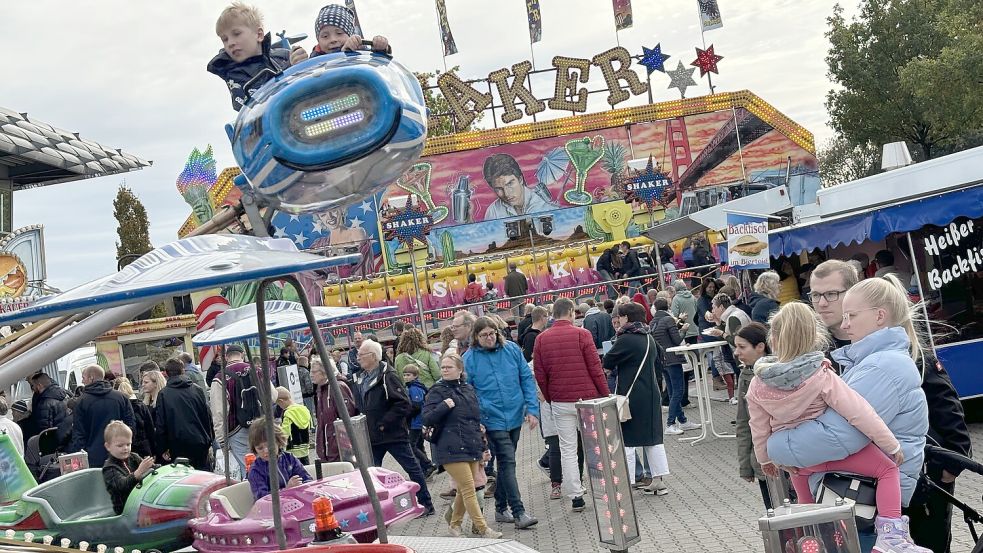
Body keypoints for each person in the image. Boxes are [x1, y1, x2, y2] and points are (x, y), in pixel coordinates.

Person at [810, 260, 971, 553]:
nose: (822, 303)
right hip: (865, 488)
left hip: (917, 480)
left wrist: (948, 466)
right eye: (815, 295)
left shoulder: (902, 351)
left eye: (831, 294)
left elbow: (948, 408)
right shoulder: (829, 350)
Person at [746, 302, 929, 553]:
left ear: (773, 339)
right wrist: (890, 444)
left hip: (798, 463)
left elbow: (758, 425)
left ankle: (810, 539)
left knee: (806, 504)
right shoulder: (821, 375)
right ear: (814, 336)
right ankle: (890, 536)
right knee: (887, 470)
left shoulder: (757, 384)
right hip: (836, 454)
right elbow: (859, 412)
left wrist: (765, 458)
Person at [533, 298, 609, 512]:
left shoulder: (541, 340)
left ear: (553, 315)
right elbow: (595, 368)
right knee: (594, 445)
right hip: (587, 399)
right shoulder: (582, 335)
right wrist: (605, 394)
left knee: (567, 449)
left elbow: (540, 374)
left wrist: (550, 397)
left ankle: (576, 495)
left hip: (560, 400)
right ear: (571, 313)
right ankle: (603, 489)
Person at [464, 317, 540, 529]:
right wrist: (477, 418)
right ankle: (519, 512)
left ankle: (499, 508)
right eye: (483, 335)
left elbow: (525, 377)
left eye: (492, 333)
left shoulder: (512, 350)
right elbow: (468, 391)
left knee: (506, 464)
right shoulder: (469, 358)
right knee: (508, 463)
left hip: (515, 415)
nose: (489, 338)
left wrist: (532, 409)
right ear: (476, 337)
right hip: (491, 419)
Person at [423, 353, 502, 538]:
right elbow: (427, 418)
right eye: (443, 367)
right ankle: (483, 528)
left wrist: (483, 446)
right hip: (449, 447)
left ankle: (455, 525)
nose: (445, 370)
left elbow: (475, 420)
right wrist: (444, 405)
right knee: (469, 488)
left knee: (463, 490)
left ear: (460, 370)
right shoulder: (436, 391)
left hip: (471, 444)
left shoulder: (468, 389)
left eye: (449, 367)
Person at [358, 339, 435, 515]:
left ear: (373, 356)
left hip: (392, 434)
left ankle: (426, 504)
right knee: (370, 474)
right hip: (373, 436)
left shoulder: (388, 376)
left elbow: (403, 404)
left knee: (412, 468)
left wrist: (384, 424)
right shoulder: (364, 378)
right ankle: (376, 510)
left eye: (362, 355)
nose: (358, 358)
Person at [604, 302, 670, 495]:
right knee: (653, 438)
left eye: (620, 317)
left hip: (632, 395)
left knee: (628, 439)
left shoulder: (626, 339)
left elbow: (608, 362)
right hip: (652, 392)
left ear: (627, 318)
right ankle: (658, 480)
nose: (618, 321)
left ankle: (626, 482)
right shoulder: (648, 337)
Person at [207, 2, 292, 112]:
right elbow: (248, 106)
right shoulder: (233, 73)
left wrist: (298, 62)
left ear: (259, 35)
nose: (230, 43)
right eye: (225, 39)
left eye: (236, 34)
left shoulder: (283, 56)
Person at [210, 344, 274, 478]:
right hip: (261, 424)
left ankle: (255, 492)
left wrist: (222, 441)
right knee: (268, 463)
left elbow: (219, 413)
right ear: (242, 355)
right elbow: (273, 397)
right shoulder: (257, 371)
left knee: (249, 468)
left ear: (226, 358)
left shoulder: (220, 378)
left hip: (236, 429)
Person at [732, 322, 773, 509]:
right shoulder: (745, 375)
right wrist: (745, 465)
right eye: (736, 347)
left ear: (760, 347)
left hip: (785, 456)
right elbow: (743, 422)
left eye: (742, 347)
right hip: (762, 461)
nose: (737, 352)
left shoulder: (780, 372)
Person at [650, 297, 700, 435]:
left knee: (672, 392)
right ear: (668, 307)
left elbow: (665, 335)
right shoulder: (668, 319)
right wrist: (684, 329)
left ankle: (682, 421)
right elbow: (677, 340)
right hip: (673, 359)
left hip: (662, 360)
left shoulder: (653, 322)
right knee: (678, 391)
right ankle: (670, 423)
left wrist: (679, 323)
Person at [155, 358, 214, 471]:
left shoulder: (164, 394)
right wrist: (210, 439)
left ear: (166, 373)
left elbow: (161, 424)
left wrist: (162, 448)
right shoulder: (197, 390)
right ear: (183, 371)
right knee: (203, 478)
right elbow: (207, 416)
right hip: (200, 442)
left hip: (177, 445)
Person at [70, 365, 135, 467]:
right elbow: (131, 424)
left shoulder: (81, 402)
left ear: (91, 378)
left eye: (83, 377)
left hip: (93, 457)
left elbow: (79, 434)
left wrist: (79, 458)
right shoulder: (121, 397)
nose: (82, 381)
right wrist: (126, 446)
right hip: (120, 455)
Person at [481, 153, 558, 221]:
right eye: (499, 188)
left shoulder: (543, 203)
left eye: (510, 184)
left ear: (520, 179)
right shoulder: (493, 211)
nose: (507, 194)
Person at [102, 421, 156, 515]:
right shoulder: (109, 468)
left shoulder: (133, 457)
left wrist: (156, 467)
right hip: (125, 511)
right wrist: (138, 473)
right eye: (120, 445)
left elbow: (152, 468)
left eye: (128, 444)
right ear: (108, 446)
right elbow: (122, 486)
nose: (125, 448)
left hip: (140, 502)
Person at [246, 422, 312, 500]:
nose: (266, 451)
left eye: (270, 445)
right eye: (260, 448)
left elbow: (307, 479)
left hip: (295, 502)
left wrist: (301, 485)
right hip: (270, 510)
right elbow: (262, 498)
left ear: (278, 442)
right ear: (255, 449)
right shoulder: (256, 470)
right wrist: (286, 490)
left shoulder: (289, 458)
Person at [311, 357, 358, 462]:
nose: (311, 374)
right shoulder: (320, 389)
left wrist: (343, 446)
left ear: (325, 371)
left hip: (339, 449)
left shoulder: (338, 387)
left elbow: (348, 417)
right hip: (327, 450)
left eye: (314, 371)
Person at [402, 366, 437, 479]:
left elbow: (416, 406)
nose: (406, 377)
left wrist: (407, 414)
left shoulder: (414, 388)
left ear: (415, 376)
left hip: (416, 422)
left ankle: (428, 464)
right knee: (419, 445)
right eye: (404, 375)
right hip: (417, 421)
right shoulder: (414, 386)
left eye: (408, 375)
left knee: (411, 445)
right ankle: (425, 469)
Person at [114, 379, 155, 459]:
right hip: (144, 447)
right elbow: (150, 428)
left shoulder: (118, 408)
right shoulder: (141, 406)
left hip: (126, 449)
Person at [22, 373, 68, 442]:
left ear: (39, 386)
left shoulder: (45, 403)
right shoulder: (62, 395)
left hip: (54, 441)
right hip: (65, 435)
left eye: (33, 386)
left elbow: (45, 430)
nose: (33, 389)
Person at [275, 387, 313, 464]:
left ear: (281, 401)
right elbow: (310, 425)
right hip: (305, 449)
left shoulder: (288, 413)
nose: (279, 407)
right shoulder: (304, 409)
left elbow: (285, 433)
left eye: (278, 404)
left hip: (292, 450)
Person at [670, 280, 699, 344]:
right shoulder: (692, 297)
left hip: (684, 330)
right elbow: (697, 311)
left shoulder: (676, 299)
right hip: (695, 329)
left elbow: (674, 315)